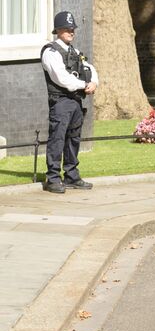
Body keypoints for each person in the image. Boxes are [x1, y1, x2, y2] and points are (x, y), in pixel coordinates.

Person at [39, 10, 98, 194]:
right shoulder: (50, 52)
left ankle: (72, 176)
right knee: (57, 139)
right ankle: (53, 178)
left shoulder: (75, 51)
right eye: (66, 28)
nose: (71, 31)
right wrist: (84, 84)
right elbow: (61, 78)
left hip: (75, 101)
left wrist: (94, 81)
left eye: (72, 28)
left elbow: (90, 67)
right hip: (61, 101)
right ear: (58, 30)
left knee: (73, 139)